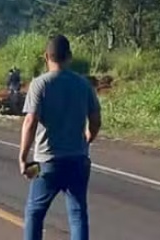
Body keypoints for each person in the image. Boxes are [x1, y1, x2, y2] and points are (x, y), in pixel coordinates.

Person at [19, 35, 101, 240]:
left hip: (48, 160)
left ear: (46, 57)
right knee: (77, 213)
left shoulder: (40, 84)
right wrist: (88, 138)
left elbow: (30, 122)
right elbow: (96, 119)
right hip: (77, 158)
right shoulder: (83, 84)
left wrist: (22, 156)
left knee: (35, 212)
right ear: (70, 57)